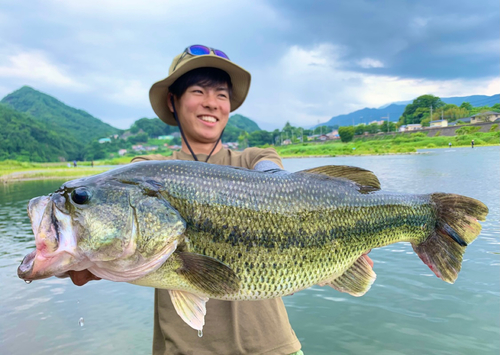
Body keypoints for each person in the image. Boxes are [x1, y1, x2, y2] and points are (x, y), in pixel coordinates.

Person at [69, 45, 373, 354]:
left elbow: (281, 187)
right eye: (199, 91)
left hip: (273, 347)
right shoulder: (143, 175)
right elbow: (106, 239)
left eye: (222, 95)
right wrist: (79, 255)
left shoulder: (255, 158)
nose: (211, 103)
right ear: (173, 101)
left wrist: (335, 243)